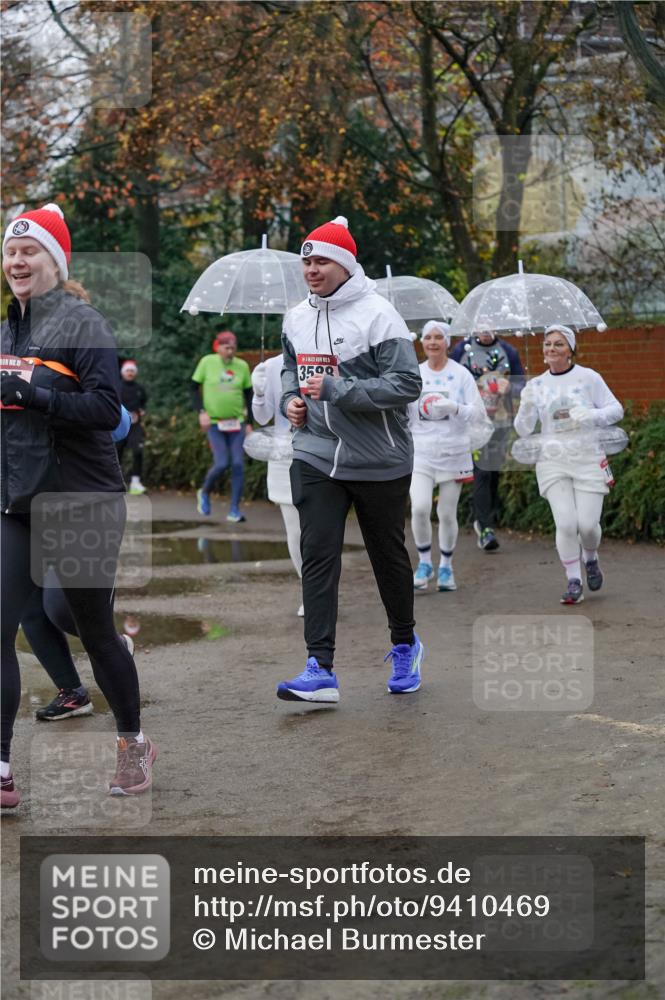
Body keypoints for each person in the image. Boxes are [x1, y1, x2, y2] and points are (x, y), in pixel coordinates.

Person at [1, 203, 156, 808]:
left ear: (54, 261)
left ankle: (133, 742)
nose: (17, 260)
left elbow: (106, 411)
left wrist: (34, 395)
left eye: (29, 250)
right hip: (17, 501)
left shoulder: (81, 323)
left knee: (89, 628)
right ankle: (4, 770)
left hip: (83, 500)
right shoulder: (7, 329)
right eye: (11, 252)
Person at [277, 216, 424, 703]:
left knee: (388, 558)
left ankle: (405, 644)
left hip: (379, 458)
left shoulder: (379, 316)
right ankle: (320, 667)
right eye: (306, 261)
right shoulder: (296, 316)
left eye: (320, 261)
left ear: (343, 264)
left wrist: (338, 389)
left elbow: (406, 385)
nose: (311, 270)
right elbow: (288, 371)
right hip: (316, 454)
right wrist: (290, 401)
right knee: (318, 555)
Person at [21, 408, 135, 722]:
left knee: (60, 607)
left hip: (76, 502)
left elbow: (118, 423)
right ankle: (72, 692)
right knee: (27, 608)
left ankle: (114, 648)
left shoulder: (70, 362)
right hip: (20, 505)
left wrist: (48, 403)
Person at [513, 324, 623, 604]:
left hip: (587, 457)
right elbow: (524, 430)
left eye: (558, 344)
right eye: (548, 343)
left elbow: (615, 409)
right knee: (565, 523)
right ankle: (574, 580)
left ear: (571, 350)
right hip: (553, 460)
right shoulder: (535, 385)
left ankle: (591, 557)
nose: (551, 348)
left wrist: (591, 415)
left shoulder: (589, 378)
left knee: (587, 525)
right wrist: (525, 405)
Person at [409, 321, 486, 593]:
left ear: (447, 342)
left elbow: (477, 414)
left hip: (454, 452)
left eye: (438, 338)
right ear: (422, 342)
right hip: (421, 452)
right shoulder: (414, 373)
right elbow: (404, 413)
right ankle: (424, 562)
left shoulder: (461, 375)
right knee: (418, 508)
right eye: (427, 337)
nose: (432, 342)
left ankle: (446, 567)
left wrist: (454, 408)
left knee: (446, 512)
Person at [450, 325, 525, 551]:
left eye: (490, 325)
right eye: (481, 325)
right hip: (471, 422)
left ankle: (485, 516)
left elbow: (522, 384)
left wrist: (510, 386)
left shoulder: (508, 351)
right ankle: (485, 528)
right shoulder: (460, 350)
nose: (486, 330)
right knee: (481, 471)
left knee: (493, 472)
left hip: (500, 421)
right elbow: (449, 380)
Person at [250, 354, 304, 616]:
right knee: (294, 531)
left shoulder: (327, 355)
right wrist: (259, 393)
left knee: (321, 532)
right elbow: (262, 418)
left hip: (323, 453)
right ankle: (310, 590)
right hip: (284, 455)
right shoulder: (271, 366)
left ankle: (324, 587)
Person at [191, 330, 252, 522]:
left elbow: (249, 393)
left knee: (238, 465)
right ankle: (204, 492)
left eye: (233, 348)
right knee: (222, 463)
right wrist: (201, 412)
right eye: (227, 348)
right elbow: (192, 387)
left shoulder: (241, 366)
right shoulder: (207, 362)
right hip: (215, 424)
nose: (230, 351)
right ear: (218, 347)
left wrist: (249, 422)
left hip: (237, 423)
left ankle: (234, 510)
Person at [116, 359, 148, 494]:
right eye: (128, 371)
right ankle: (115, 481)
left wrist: (142, 409)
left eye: (132, 371)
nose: (130, 373)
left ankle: (135, 482)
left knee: (138, 451)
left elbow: (144, 402)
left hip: (136, 425)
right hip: (119, 425)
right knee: (116, 453)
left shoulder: (140, 388)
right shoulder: (116, 387)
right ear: (123, 372)